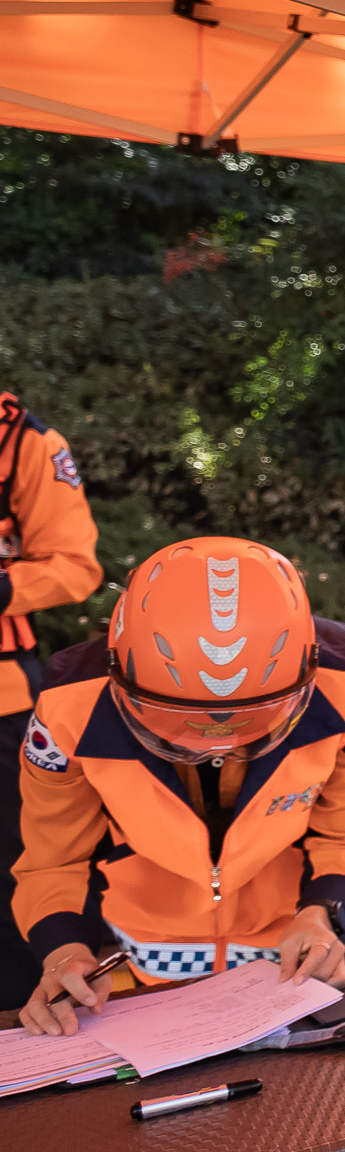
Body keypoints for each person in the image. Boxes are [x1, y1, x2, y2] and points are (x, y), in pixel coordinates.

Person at [16, 536, 345, 1152]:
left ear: (303, 677)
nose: (212, 750)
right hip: (172, 951)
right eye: (178, 734)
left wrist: (325, 910)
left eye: (248, 734)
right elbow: (50, 859)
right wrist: (64, 948)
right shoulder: (67, 709)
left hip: (334, 918)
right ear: (119, 677)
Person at [0, 390, 102, 1011]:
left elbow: (75, 566)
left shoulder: (26, 443)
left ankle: (28, 1031)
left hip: (5, 699)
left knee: (16, 874)